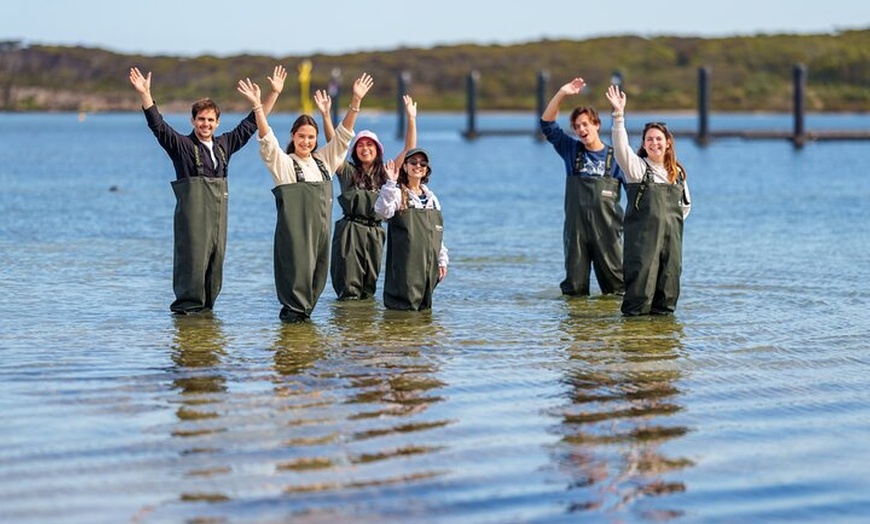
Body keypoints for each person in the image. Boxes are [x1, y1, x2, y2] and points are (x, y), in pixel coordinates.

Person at [128, 65, 286, 315]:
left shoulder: (225, 144)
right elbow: (158, 126)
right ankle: (187, 319)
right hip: (192, 221)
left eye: (210, 120)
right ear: (193, 121)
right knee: (191, 264)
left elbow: (252, 123)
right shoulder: (181, 145)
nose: (205, 124)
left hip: (217, 221)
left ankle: (207, 323)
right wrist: (145, 94)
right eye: (201, 119)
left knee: (215, 265)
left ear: (217, 122)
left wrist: (273, 94)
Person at [236, 72, 373, 322]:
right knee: (294, 294)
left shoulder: (324, 163)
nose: (306, 141)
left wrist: (356, 101)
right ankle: (291, 341)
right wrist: (258, 105)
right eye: (301, 136)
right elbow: (267, 140)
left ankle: (304, 345)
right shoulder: (285, 165)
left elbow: (343, 137)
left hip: (320, 238)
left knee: (315, 283)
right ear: (293, 137)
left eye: (311, 137)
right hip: (294, 240)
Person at [605, 84, 692, 316]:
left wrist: (667, 222)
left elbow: (685, 207)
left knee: (668, 291)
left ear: (668, 142)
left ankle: (663, 346)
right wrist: (619, 115)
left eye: (659, 139)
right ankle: (634, 345)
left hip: (671, 242)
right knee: (639, 298)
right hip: (642, 242)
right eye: (649, 140)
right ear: (643, 144)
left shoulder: (678, 173)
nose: (654, 143)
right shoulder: (636, 168)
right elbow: (621, 148)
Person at [323, 94, 418, 300]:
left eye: (370, 145)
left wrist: (411, 119)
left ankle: (367, 330)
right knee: (349, 289)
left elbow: (409, 151)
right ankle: (347, 328)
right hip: (350, 230)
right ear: (355, 150)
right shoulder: (347, 171)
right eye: (360, 145)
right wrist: (325, 116)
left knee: (368, 290)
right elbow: (334, 146)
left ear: (377, 149)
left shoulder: (387, 172)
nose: (365, 148)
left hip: (375, 232)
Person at [540, 76, 626, 297]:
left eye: (585, 124)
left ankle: (621, 332)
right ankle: (578, 329)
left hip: (608, 233)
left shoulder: (617, 157)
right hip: (576, 232)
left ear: (596, 125)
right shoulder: (571, 150)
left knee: (617, 289)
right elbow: (547, 124)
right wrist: (562, 93)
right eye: (577, 126)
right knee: (574, 291)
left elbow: (636, 195)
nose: (581, 129)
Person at [375, 148, 449, 311]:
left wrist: (442, 260)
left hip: (428, 269)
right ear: (405, 167)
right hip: (404, 269)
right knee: (402, 314)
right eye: (413, 162)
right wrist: (390, 183)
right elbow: (382, 212)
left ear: (427, 170)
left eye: (423, 163)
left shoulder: (433, 199)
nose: (418, 166)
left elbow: (438, 234)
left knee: (424, 316)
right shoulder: (396, 193)